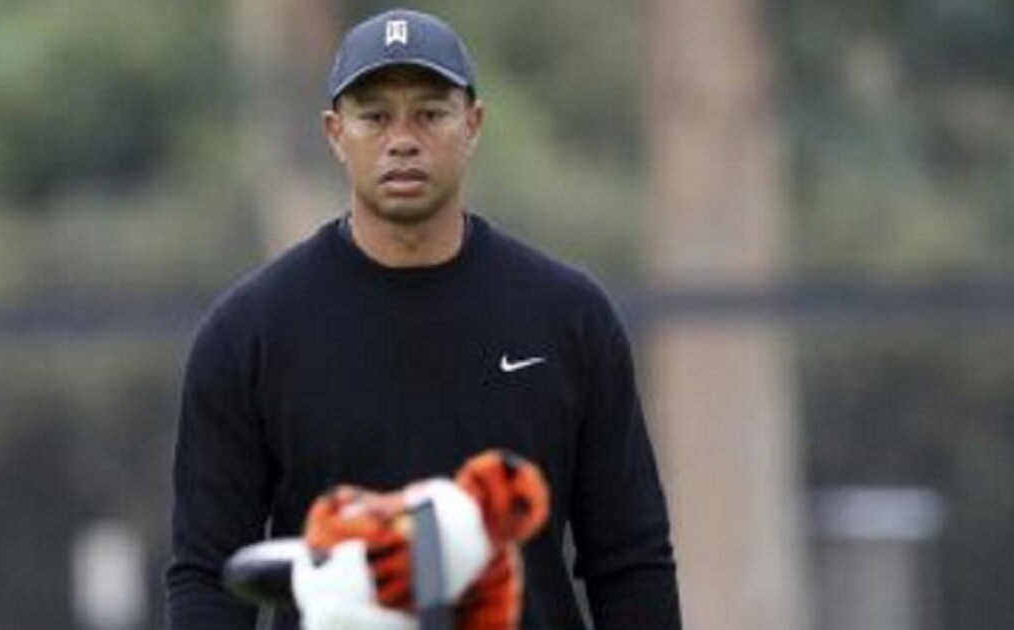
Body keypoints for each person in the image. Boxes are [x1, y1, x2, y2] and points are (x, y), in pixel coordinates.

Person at [167, 8, 680, 629]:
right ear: (335, 132)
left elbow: (629, 560)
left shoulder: (569, 317)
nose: (402, 139)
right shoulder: (249, 334)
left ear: (473, 123)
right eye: (375, 115)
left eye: (430, 112)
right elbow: (207, 572)